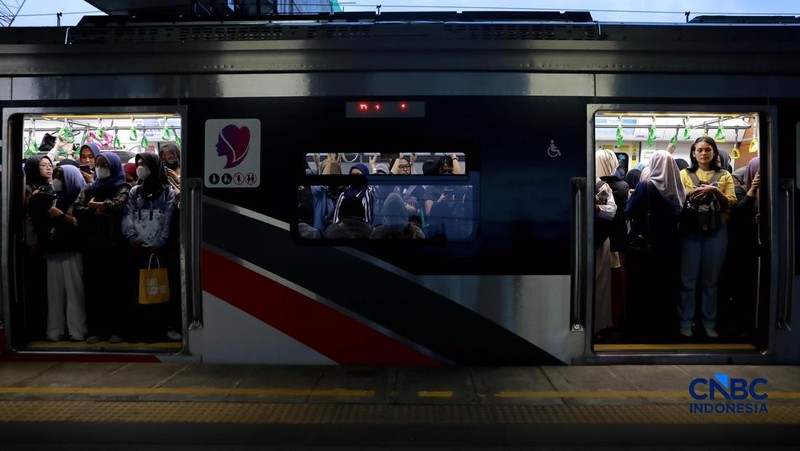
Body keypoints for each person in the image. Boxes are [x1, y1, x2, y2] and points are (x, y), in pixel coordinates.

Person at [678, 137, 737, 338]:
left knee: (711, 281)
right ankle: (686, 321)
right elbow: (677, 197)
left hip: (716, 231)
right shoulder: (684, 174)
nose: (704, 153)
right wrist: (692, 192)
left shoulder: (725, 175)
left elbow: (731, 202)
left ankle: (709, 322)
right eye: (700, 150)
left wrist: (715, 191)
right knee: (688, 279)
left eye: (708, 150)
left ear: (714, 152)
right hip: (690, 232)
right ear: (693, 153)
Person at [624, 150, 685, 335]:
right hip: (670, 242)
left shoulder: (646, 185)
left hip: (646, 241)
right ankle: (665, 324)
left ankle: (643, 324)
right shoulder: (677, 187)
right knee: (666, 284)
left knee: (644, 284)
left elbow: (629, 210)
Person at [73, 151, 131, 344]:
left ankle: (117, 330)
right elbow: (77, 209)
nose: (100, 168)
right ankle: (97, 330)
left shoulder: (123, 187)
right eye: (98, 164)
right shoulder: (90, 187)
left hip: (115, 246)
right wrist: (96, 210)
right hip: (93, 245)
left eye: (105, 165)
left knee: (116, 289)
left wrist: (94, 206)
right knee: (94, 289)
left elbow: (117, 205)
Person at [122, 153, 178, 342]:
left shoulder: (167, 191)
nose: (140, 168)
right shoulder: (135, 191)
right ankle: (141, 329)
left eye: (144, 164)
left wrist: (160, 243)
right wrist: (132, 238)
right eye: (138, 164)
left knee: (159, 288)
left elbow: (168, 217)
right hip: (138, 248)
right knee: (138, 289)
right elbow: (128, 215)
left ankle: (160, 329)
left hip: (159, 251)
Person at [43, 165, 88, 342]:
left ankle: (77, 330)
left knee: (74, 291)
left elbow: (81, 224)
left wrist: (61, 216)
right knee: (54, 293)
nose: (56, 180)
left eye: (61, 177)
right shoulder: (55, 199)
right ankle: (55, 330)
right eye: (55, 176)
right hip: (55, 248)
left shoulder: (81, 198)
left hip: (72, 248)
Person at [593, 149, 618, 336]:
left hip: (598, 239)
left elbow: (611, 211)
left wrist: (596, 208)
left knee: (600, 283)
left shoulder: (602, 185)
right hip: (596, 238)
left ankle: (597, 324)